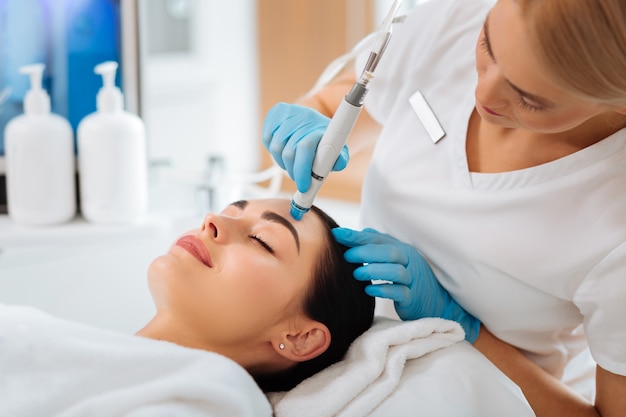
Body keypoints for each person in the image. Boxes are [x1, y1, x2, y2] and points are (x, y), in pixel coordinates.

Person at [261, 0, 626, 416]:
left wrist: (461, 327)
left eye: (531, 100)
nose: (482, 92)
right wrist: (312, 120)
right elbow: (338, 104)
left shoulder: (616, 229)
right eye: (488, 45)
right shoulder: (456, 17)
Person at [0, 198, 374, 415]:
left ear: (300, 338)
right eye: (231, 209)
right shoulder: (101, 355)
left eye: (261, 240)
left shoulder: (213, 399)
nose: (212, 220)